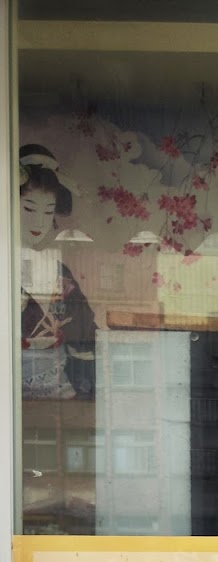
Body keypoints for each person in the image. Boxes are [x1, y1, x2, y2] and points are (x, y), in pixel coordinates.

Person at [19, 143, 96, 398]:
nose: (39, 221)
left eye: (48, 211)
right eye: (29, 208)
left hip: (59, 388)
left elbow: (83, 327)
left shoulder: (58, 270)